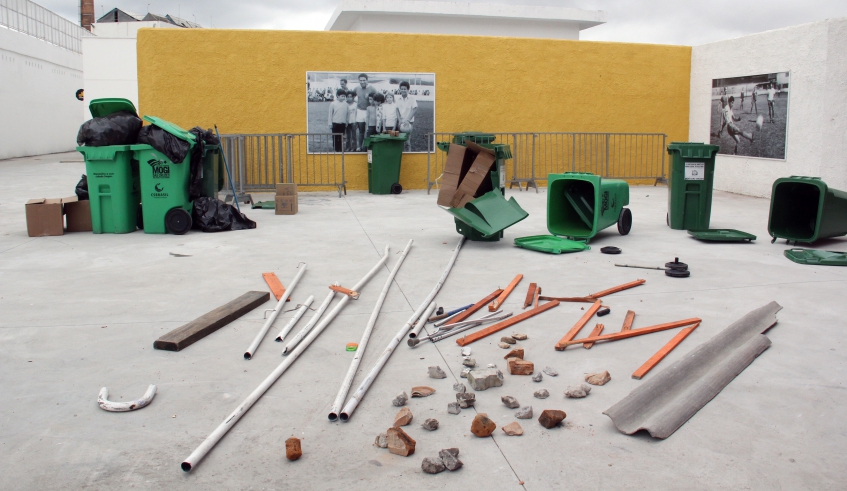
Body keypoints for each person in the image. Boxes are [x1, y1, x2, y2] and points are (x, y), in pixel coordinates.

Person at [354, 73, 377, 151]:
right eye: (360, 80)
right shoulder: (357, 88)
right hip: (360, 111)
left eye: (364, 80)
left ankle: (368, 146)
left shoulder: (372, 88)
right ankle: (360, 146)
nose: (362, 82)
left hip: (369, 112)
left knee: (368, 130)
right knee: (361, 131)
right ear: (359, 81)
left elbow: (378, 98)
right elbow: (351, 96)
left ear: (367, 80)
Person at [395, 81, 418, 151]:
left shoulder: (412, 98)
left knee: (407, 141)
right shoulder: (398, 99)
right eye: (401, 89)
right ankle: (402, 154)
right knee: (401, 140)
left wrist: (408, 120)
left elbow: (415, 108)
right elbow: (397, 110)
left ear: (408, 89)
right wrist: (399, 120)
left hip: (409, 122)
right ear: (400, 89)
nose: (403, 90)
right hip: (401, 122)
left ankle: (409, 153)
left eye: (405, 89)